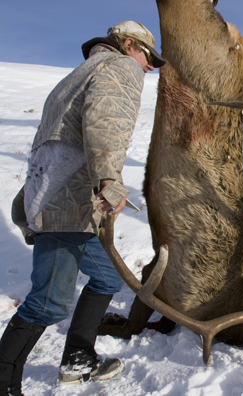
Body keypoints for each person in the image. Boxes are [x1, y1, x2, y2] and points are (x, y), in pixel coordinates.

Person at [0, 21, 165, 394]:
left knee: (107, 277)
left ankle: (78, 360)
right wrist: (109, 180)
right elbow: (104, 122)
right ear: (127, 45)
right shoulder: (119, 67)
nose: (149, 67)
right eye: (147, 56)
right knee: (48, 304)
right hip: (65, 203)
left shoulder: (79, 73)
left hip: (63, 198)